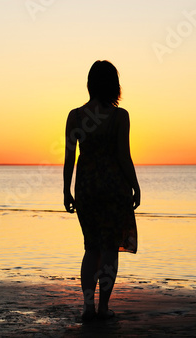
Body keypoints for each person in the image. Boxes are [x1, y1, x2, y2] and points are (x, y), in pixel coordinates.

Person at [63, 60, 140, 321]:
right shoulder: (120, 116)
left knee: (90, 248)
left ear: (90, 84)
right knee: (108, 249)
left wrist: (66, 190)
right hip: (113, 189)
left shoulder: (75, 115)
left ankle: (87, 308)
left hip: (86, 187)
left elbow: (69, 157)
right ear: (114, 85)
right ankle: (104, 308)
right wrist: (135, 186)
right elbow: (123, 156)